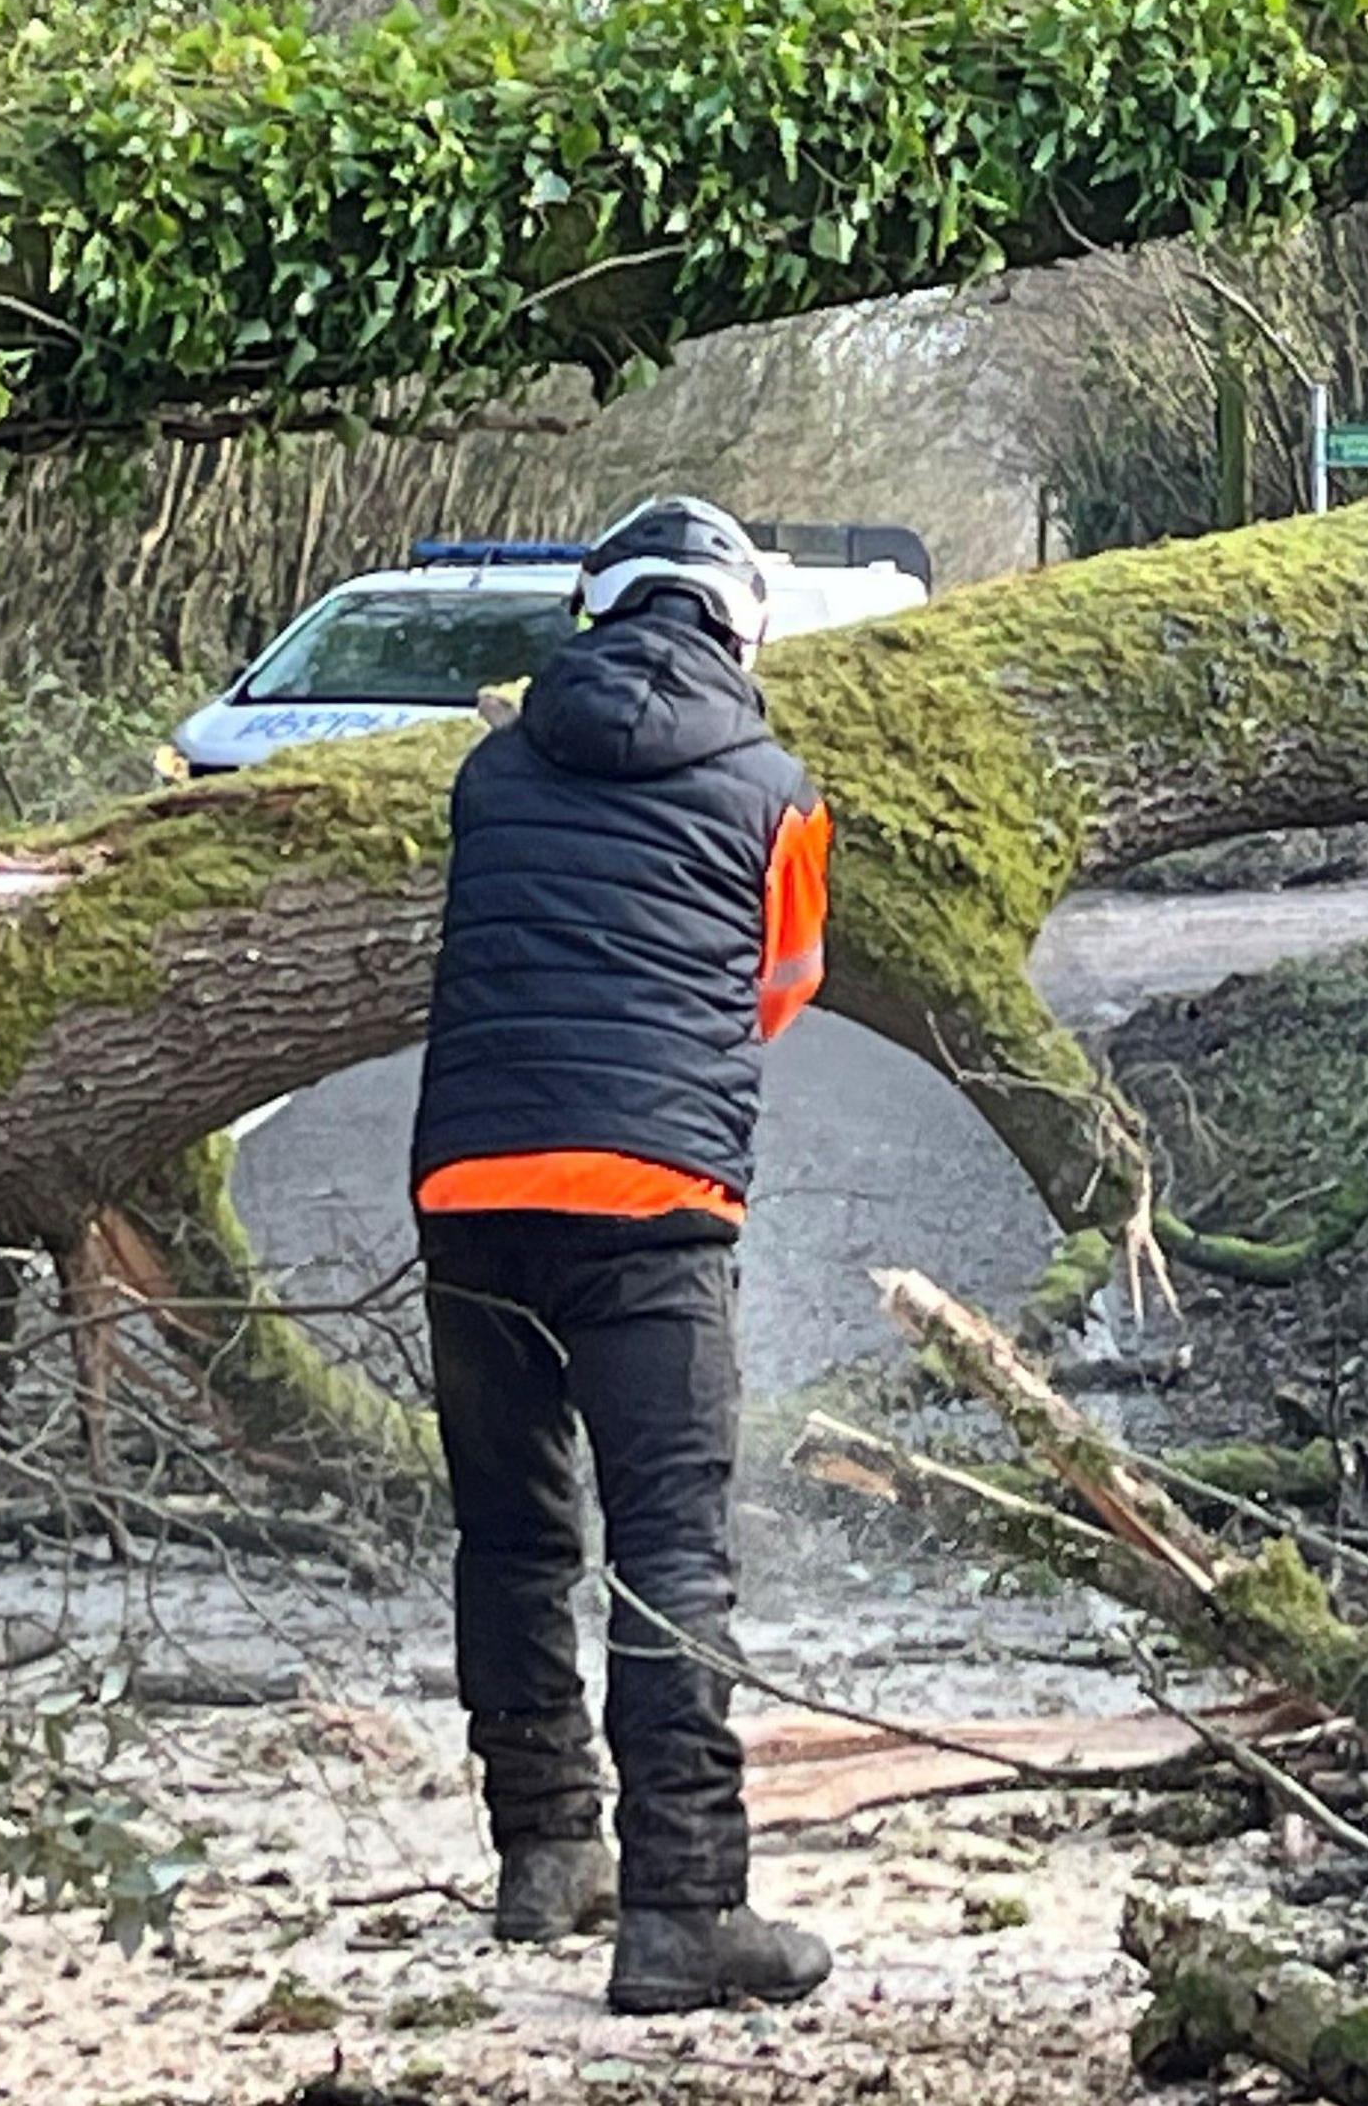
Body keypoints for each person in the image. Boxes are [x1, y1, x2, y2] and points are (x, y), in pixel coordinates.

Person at [407, 494, 834, 2014]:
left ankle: (542, 1852)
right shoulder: (776, 787)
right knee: (669, 1554)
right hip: (654, 1203)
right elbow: (784, 987)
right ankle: (682, 1910)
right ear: (739, 625)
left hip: (469, 1188)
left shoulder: (489, 768)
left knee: (514, 1535)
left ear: (597, 613)